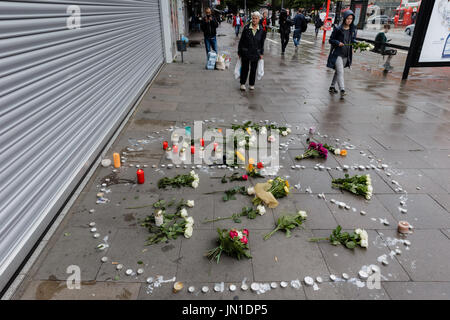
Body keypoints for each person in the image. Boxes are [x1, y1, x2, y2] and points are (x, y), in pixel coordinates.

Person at [327, 10, 357, 98]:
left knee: (338, 71)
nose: (349, 20)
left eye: (351, 19)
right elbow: (331, 40)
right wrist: (337, 42)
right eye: (348, 18)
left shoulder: (352, 29)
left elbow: (351, 39)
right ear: (344, 19)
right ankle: (342, 89)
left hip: (346, 54)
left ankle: (332, 87)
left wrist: (357, 43)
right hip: (338, 54)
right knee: (341, 71)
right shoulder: (338, 29)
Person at [238, 12, 265, 91]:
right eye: (253, 18)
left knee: (253, 69)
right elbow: (241, 41)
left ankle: (251, 84)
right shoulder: (246, 28)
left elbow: (262, 43)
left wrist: (261, 53)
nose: (254, 20)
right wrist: (239, 52)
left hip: (256, 52)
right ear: (251, 18)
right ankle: (242, 83)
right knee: (245, 68)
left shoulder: (261, 30)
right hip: (246, 51)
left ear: (259, 19)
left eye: (256, 18)